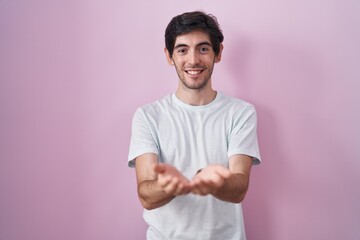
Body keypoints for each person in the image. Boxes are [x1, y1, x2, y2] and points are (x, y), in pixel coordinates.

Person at [128, 10, 261, 240]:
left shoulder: (241, 113)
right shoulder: (147, 116)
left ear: (218, 53)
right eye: (182, 50)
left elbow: (239, 187)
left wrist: (215, 182)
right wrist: (170, 185)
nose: (193, 60)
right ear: (169, 56)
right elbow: (146, 195)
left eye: (203, 48)